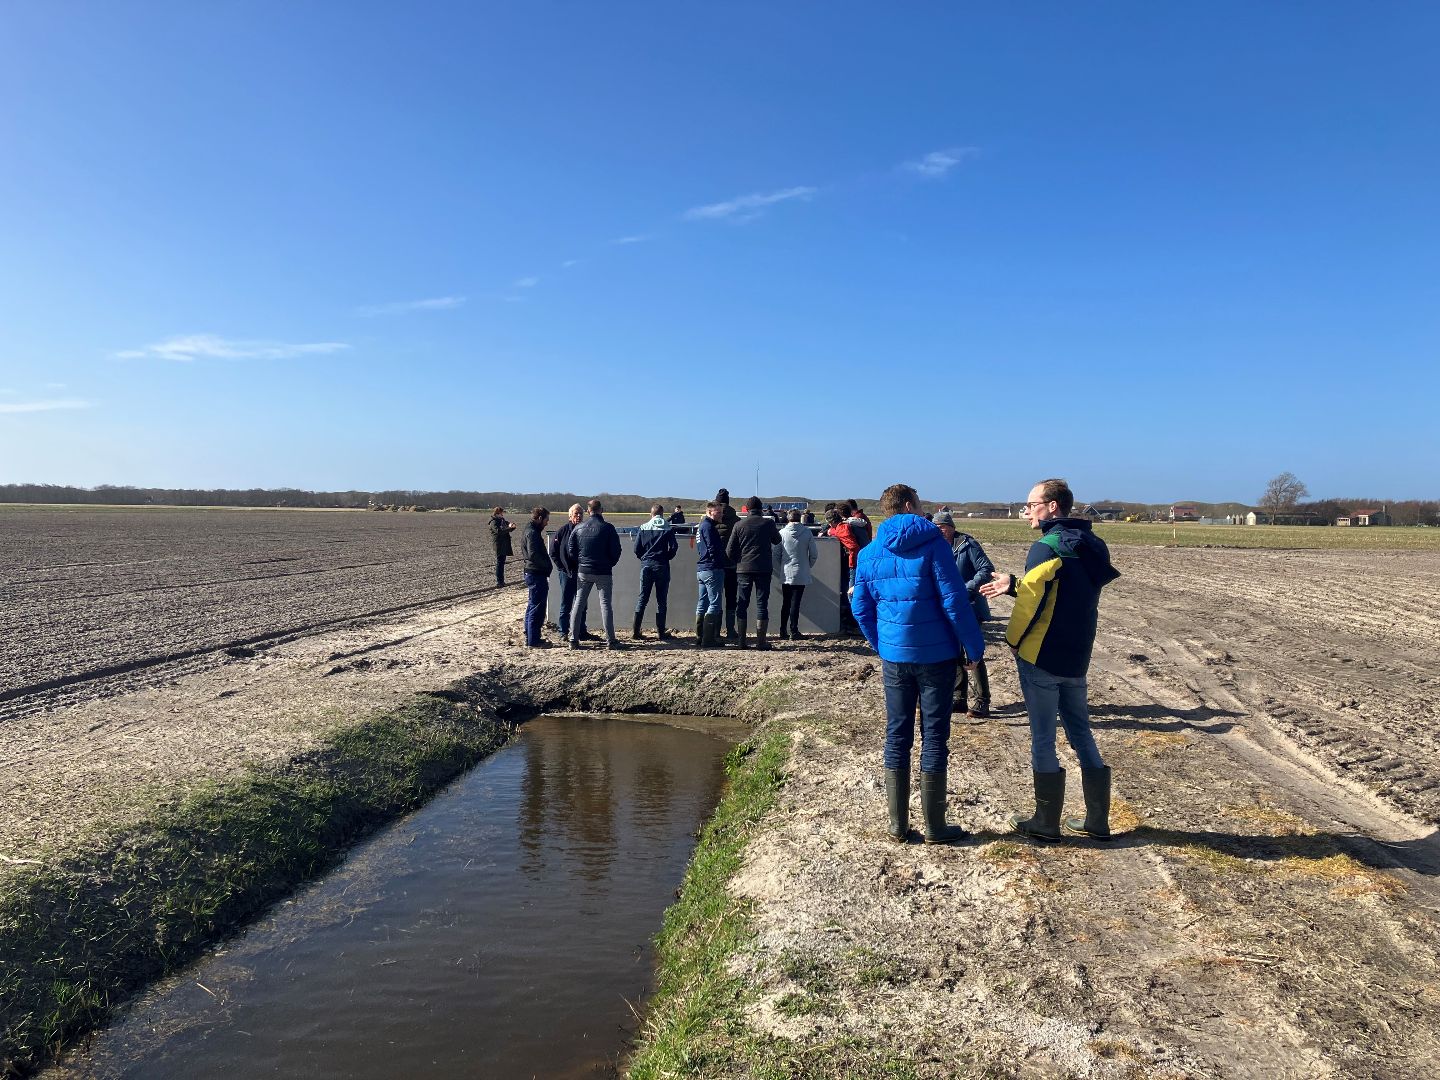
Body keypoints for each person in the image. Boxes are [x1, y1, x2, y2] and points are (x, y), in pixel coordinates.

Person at [980, 478, 1120, 842]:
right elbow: (1061, 593)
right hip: (1077, 655)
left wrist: (1012, 640)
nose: (1026, 511)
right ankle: (1097, 821)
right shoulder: (1093, 545)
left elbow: (1032, 604)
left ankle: (1045, 822)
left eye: (1031, 504)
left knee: (1043, 738)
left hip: (1041, 655)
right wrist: (1014, 584)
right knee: (1082, 733)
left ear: (1052, 506)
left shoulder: (1046, 547)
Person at [852, 484, 985, 845]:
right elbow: (954, 601)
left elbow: (860, 608)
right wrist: (974, 647)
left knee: (896, 735)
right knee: (934, 736)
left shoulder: (869, 552)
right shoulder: (934, 545)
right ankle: (935, 827)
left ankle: (897, 826)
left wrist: (883, 645)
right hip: (937, 657)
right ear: (910, 505)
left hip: (896, 658)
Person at [933, 510, 995, 719]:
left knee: (973, 653)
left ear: (951, 527)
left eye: (942, 527)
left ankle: (982, 700)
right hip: (947, 607)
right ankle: (959, 698)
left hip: (970, 606)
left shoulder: (967, 545)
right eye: (936, 527)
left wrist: (966, 588)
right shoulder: (936, 547)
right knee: (954, 651)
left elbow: (986, 569)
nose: (939, 531)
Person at [566, 498, 625, 650]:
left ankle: (573, 639)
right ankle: (611, 640)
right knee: (605, 605)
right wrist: (609, 563)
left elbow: (571, 550)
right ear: (601, 510)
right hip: (604, 572)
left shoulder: (579, 528)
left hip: (584, 572)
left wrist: (581, 562)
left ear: (588, 511)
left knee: (578, 604)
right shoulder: (608, 528)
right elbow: (617, 551)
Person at [725, 496, 782, 649]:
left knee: (742, 603)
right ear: (761, 508)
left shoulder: (739, 525)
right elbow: (777, 540)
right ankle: (761, 642)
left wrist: (739, 560)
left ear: (747, 509)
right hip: (763, 569)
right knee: (762, 604)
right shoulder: (768, 523)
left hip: (743, 569)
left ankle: (741, 642)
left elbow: (729, 550)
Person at [633, 503, 679, 640]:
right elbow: (674, 547)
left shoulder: (643, 527)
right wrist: (666, 557)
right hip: (662, 566)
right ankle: (661, 632)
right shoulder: (667, 527)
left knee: (642, 599)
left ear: (651, 514)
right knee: (661, 600)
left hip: (646, 566)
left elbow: (636, 549)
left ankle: (636, 632)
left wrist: (644, 558)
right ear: (662, 514)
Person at [549, 504, 589, 641]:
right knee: (566, 603)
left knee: (583, 603)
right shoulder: (562, 531)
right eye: (576, 513)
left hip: (582, 573)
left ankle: (582, 631)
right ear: (570, 515)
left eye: (581, 514)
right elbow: (553, 552)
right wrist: (561, 567)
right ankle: (563, 631)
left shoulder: (585, 530)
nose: (579, 516)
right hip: (567, 573)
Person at [778, 508, 818, 640]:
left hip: (786, 571)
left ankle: (782, 630)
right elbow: (813, 554)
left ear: (788, 518)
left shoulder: (782, 533)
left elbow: (776, 553)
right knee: (796, 603)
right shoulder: (807, 532)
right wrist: (807, 566)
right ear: (800, 518)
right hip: (801, 571)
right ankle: (794, 630)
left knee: (786, 602)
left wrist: (780, 567)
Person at [518, 507, 553, 647]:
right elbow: (533, 555)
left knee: (532, 604)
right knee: (537, 607)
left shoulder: (530, 530)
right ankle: (533, 640)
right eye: (546, 520)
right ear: (539, 518)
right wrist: (546, 565)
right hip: (536, 573)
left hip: (532, 572)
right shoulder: (532, 533)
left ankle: (530, 635)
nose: (547, 523)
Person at [694, 501, 726, 648]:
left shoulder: (701, 526)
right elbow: (713, 548)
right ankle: (708, 639)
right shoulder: (708, 527)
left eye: (721, 512)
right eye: (718, 512)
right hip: (712, 569)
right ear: (709, 512)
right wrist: (719, 561)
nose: (721, 514)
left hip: (702, 568)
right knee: (714, 603)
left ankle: (700, 636)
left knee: (703, 603)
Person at [825, 508, 861, 633]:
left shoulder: (842, 529)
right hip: (853, 564)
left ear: (831, 522)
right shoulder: (842, 527)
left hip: (854, 565)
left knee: (851, 594)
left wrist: (852, 563)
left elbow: (853, 547)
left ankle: (857, 624)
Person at [713, 488, 741, 641]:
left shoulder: (711, 519)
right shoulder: (737, 521)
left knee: (716, 599)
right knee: (731, 599)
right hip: (732, 565)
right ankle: (731, 630)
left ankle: (716, 632)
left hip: (716, 565)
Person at [488, 506, 516, 587]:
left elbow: (507, 524)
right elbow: (499, 531)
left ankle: (502, 581)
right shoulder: (493, 522)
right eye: (501, 513)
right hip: (498, 544)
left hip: (504, 544)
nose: (502, 515)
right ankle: (499, 582)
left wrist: (511, 525)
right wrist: (510, 528)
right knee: (500, 563)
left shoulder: (501, 520)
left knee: (502, 563)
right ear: (497, 513)